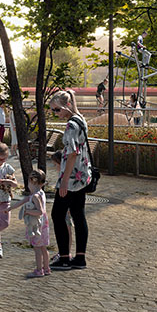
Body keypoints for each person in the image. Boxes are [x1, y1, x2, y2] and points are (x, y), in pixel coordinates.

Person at [48, 89, 92, 271]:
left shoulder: (71, 125)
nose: (55, 114)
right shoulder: (81, 120)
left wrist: (64, 180)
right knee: (78, 214)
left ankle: (64, 257)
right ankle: (79, 257)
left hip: (72, 178)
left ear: (66, 106)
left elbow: (73, 152)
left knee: (57, 214)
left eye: (57, 110)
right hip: (83, 176)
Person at [10, 169, 51, 278]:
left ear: (32, 182)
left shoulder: (35, 196)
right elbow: (21, 202)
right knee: (43, 248)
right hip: (44, 224)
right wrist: (10, 208)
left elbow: (40, 211)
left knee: (37, 249)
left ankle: (39, 270)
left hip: (36, 225)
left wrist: (27, 212)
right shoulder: (41, 193)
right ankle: (46, 268)